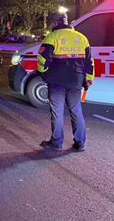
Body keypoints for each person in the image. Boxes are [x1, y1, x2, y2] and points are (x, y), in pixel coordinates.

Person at [37, 11, 94, 152]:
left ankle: (57, 142)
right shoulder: (82, 38)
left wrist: (43, 74)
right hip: (76, 81)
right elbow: (89, 62)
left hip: (56, 81)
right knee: (76, 110)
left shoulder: (52, 37)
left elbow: (42, 60)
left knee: (57, 111)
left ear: (56, 23)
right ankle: (80, 143)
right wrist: (88, 79)